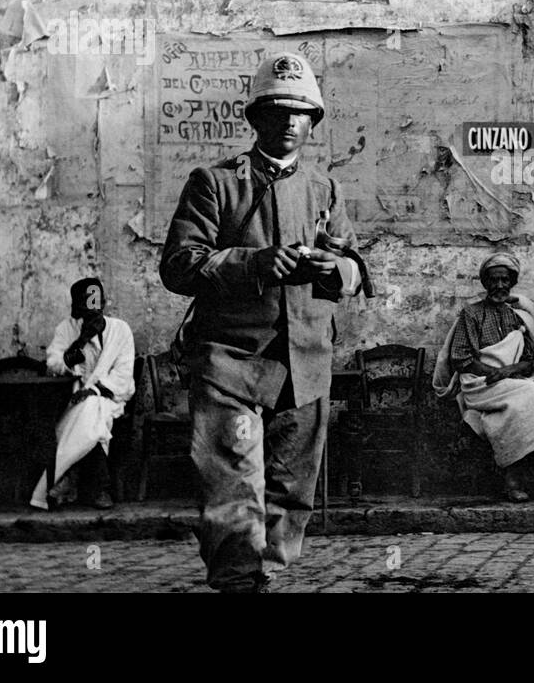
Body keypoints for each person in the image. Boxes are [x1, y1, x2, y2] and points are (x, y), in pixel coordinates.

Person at [160, 51, 366, 593]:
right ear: (254, 118)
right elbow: (179, 265)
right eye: (276, 110)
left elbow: (354, 266)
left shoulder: (325, 190)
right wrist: (249, 262)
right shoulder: (214, 183)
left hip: (306, 362)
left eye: (301, 112)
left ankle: (264, 576)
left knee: (290, 492)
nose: (290, 122)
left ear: (313, 122)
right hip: (230, 363)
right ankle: (238, 582)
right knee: (231, 486)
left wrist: (335, 268)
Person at [433, 252, 534, 501]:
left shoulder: (518, 316)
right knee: (531, 393)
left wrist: (507, 371)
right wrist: (493, 373)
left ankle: (513, 477)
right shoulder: (472, 314)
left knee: (530, 394)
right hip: (479, 384)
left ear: (512, 282)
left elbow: (530, 359)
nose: (499, 286)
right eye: (494, 280)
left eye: (504, 280)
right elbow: (460, 358)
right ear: (485, 283)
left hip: (510, 381)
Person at [29, 278, 135, 511]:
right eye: (86, 310)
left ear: (105, 303)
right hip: (74, 399)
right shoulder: (67, 329)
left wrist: (95, 390)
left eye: (96, 307)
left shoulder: (120, 330)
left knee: (92, 410)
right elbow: (54, 364)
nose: (92, 315)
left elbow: (124, 375)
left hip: (110, 398)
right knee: (91, 420)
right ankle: (99, 487)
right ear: (77, 309)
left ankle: (66, 477)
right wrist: (81, 341)